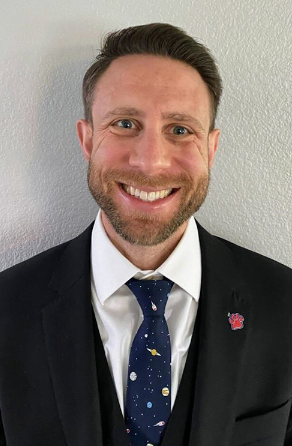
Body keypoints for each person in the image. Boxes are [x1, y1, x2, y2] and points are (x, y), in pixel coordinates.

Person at [0, 22, 292, 446]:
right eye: (124, 123)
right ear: (87, 139)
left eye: (179, 130)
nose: (151, 162)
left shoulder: (285, 305)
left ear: (210, 148)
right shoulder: (6, 311)